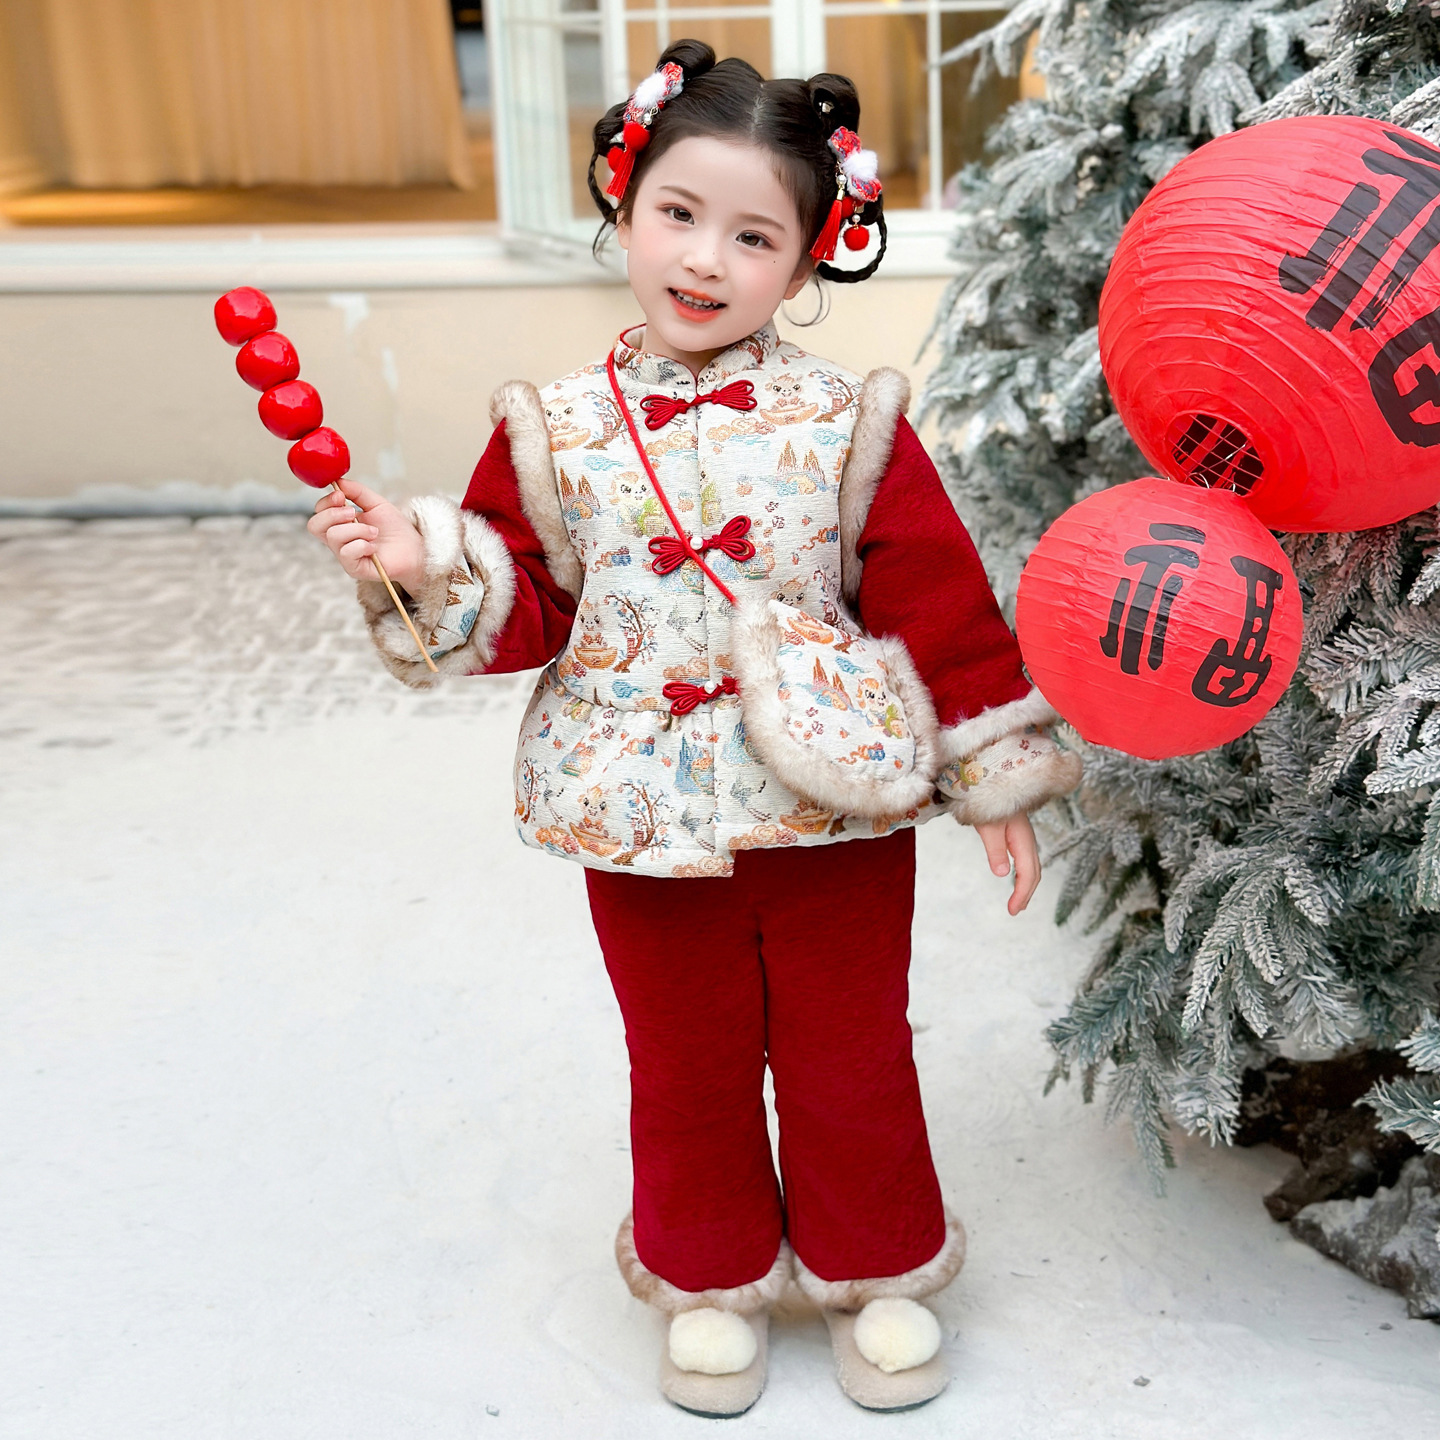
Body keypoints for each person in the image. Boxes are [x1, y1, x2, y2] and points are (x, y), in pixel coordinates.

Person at [308, 39, 1081, 1417]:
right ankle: (707, 1273)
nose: (706, 260)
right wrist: (426, 561)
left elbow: (937, 602)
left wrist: (997, 781)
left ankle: (876, 1262)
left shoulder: (849, 424)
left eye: (753, 234)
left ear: (807, 260)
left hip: (835, 801)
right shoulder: (552, 430)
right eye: (679, 213)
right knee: (683, 1059)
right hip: (637, 810)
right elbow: (527, 602)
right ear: (625, 202)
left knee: (853, 1049)